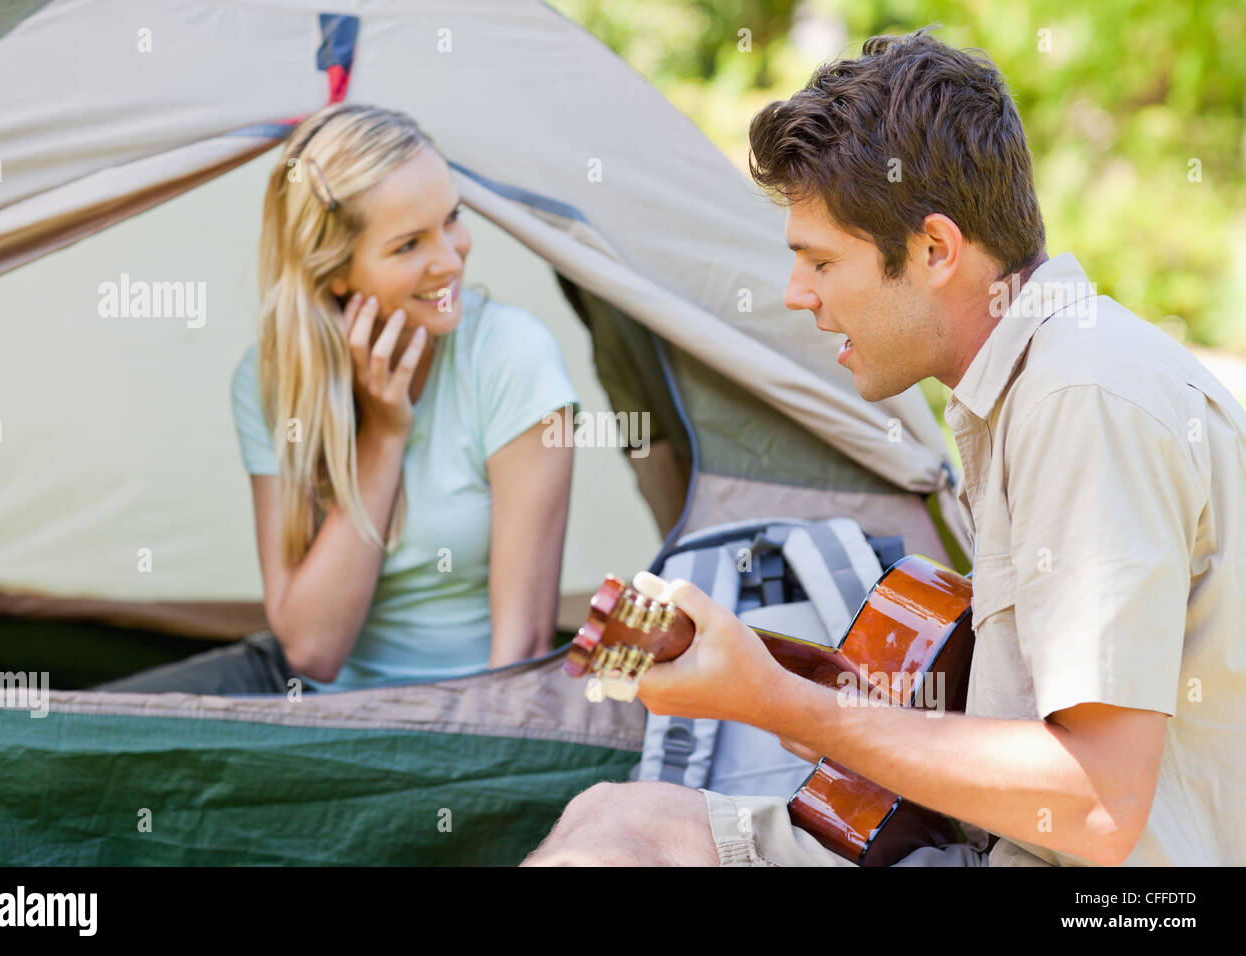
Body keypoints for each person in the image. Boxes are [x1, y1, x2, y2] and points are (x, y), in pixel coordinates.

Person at [523, 29, 1246, 867]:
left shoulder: (1082, 400)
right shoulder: (1031, 385)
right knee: (614, 818)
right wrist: (794, 681)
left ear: (936, 250)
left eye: (822, 262)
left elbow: (1094, 806)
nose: (798, 295)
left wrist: (781, 707)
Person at [97, 104, 578, 695]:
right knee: (63, 736)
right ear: (337, 273)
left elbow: (520, 657)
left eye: (451, 218)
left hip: (469, 714)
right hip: (309, 701)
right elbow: (312, 651)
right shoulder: (270, 382)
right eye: (408, 245)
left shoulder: (513, 358)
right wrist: (383, 436)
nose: (450, 259)